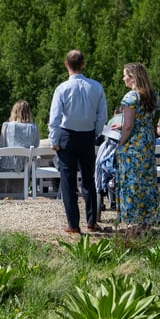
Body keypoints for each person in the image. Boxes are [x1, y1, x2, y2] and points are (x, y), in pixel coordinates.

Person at [48, 50, 108, 234]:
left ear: (66, 64)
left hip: (67, 136)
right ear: (83, 64)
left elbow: (55, 117)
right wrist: (95, 134)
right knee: (89, 180)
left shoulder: (62, 88)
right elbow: (102, 115)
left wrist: (54, 139)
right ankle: (91, 221)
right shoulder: (96, 87)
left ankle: (73, 224)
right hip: (87, 135)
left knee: (68, 181)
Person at [111, 63, 160, 235]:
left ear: (133, 77)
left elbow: (128, 126)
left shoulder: (131, 97)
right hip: (148, 140)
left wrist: (120, 143)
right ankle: (146, 221)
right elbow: (142, 119)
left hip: (133, 144)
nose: (123, 78)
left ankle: (132, 223)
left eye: (125, 75)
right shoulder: (151, 95)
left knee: (131, 182)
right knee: (146, 180)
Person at [0, 100, 39, 195]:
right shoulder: (34, 127)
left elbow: (2, 146)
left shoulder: (7, 126)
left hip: (8, 164)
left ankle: (0, 194)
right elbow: (36, 147)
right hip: (27, 166)